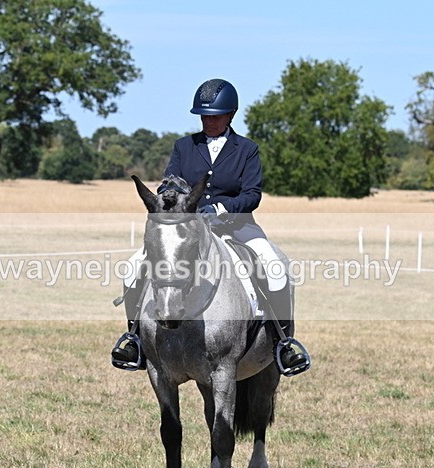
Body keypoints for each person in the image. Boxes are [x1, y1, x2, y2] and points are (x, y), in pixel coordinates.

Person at [111, 78, 310, 376]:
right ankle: (135, 338)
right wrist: (173, 196)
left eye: (215, 116)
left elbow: (252, 195)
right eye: (205, 116)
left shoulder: (247, 149)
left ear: (230, 115)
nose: (210, 121)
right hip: (187, 230)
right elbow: (171, 182)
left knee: (273, 266)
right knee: (132, 266)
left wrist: (219, 209)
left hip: (237, 227)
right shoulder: (183, 147)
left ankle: (284, 342)